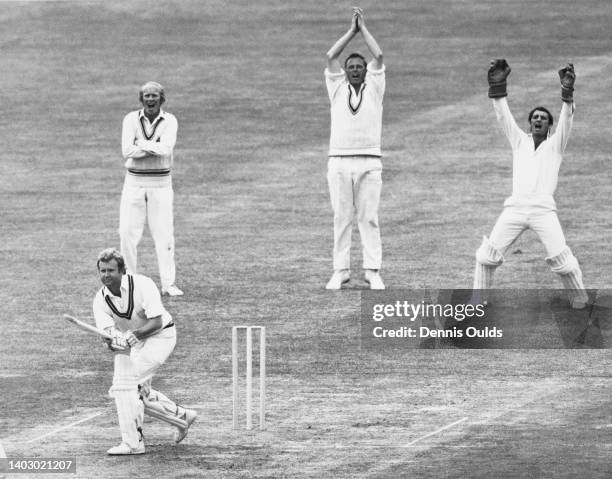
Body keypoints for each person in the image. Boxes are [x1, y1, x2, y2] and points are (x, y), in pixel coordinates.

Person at [473, 59, 588, 308]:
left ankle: (580, 299)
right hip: (514, 209)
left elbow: (567, 120)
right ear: (530, 123)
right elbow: (503, 117)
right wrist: (498, 87)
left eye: (543, 118)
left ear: (549, 125)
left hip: (543, 211)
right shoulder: (519, 141)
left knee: (563, 261)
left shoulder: (556, 145)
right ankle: (476, 303)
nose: (538, 120)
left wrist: (567, 95)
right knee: (486, 256)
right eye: (535, 117)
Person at [93, 248, 196, 455]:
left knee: (124, 385)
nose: (106, 275)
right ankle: (181, 415)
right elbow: (109, 338)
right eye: (102, 271)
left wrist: (135, 335)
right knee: (134, 390)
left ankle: (133, 442)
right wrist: (111, 341)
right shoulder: (100, 300)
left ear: (122, 270)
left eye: (111, 270)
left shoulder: (142, 284)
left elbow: (156, 321)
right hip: (138, 344)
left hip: (162, 336)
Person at [324, 7, 386, 290]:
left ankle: (372, 270)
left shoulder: (375, 86)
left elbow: (379, 56)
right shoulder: (336, 87)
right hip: (338, 160)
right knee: (342, 216)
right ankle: (341, 270)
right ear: (346, 72)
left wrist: (364, 29)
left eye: (359, 67)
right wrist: (351, 31)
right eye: (351, 68)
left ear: (365, 71)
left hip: (370, 160)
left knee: (368, 217)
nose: (356, 70)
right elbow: (330, 56)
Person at [120, 81, 183, 296]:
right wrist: (150, 148)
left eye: (154, 95)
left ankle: (168, 284)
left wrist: (140, 144)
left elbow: (166, 149)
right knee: (127, 233)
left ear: (161, 99)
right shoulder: (130, 119)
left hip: (161, 184)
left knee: (164, 234)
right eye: (146, 95)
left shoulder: (170, 120)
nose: (150, 99)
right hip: (134, 183)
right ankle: (128, 280)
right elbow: (127, 150)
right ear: (141, 99)